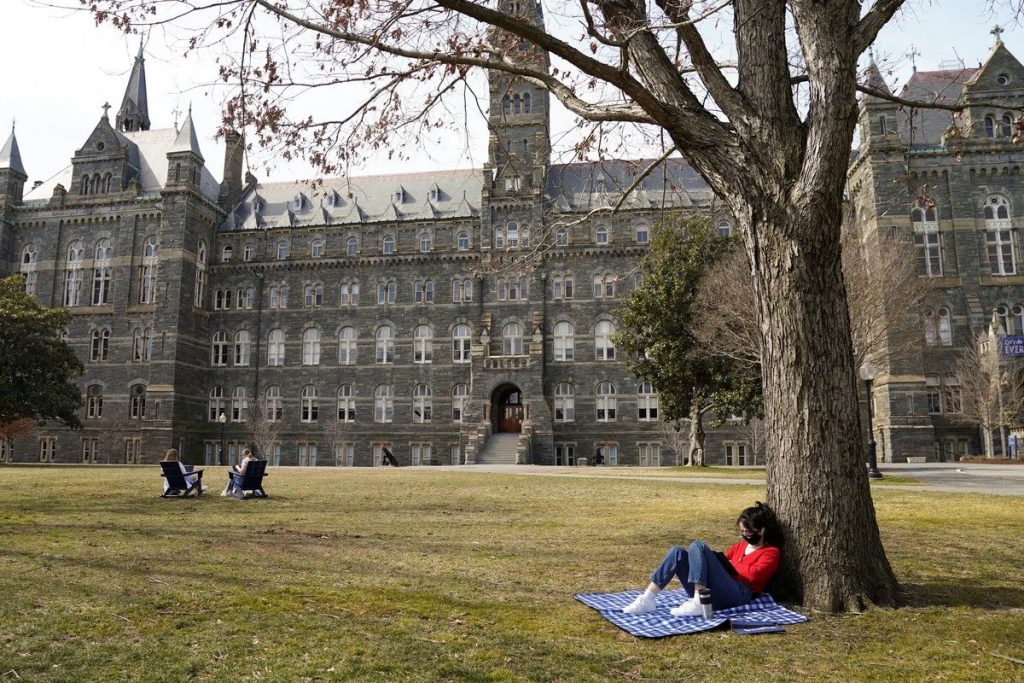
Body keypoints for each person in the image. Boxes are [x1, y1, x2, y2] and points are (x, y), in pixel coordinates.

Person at [622, 501, 781, 617]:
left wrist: (730, 564)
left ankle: (699, 601)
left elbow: (753, 574)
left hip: (739, 594)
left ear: (762, 530)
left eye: (748, 531)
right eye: (742, 531)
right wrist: (722, 563)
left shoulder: (771, 552)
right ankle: (648, 598)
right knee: (677, 552)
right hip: (717, 589)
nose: (745, 535)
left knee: (698, 545)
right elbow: (720, 564)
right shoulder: (739, 546)